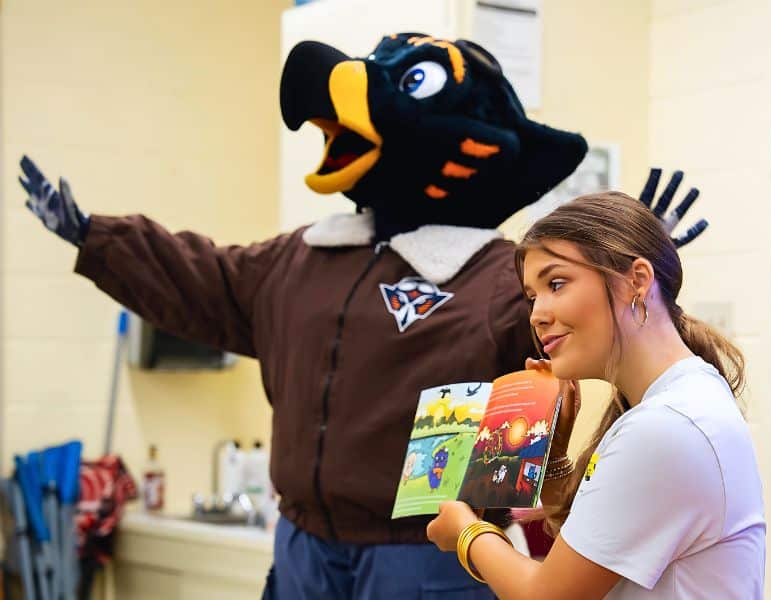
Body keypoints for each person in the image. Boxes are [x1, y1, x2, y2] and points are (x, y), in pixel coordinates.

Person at [18, 32, 707, 599]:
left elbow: (584, 336)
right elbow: (199, 275)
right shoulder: (301, 260)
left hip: (429, 554)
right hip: (302, 548)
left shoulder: (498, 273)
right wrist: (95, 237)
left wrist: (631, 262)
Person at [426, 192, 765, 599]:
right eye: (533, 296)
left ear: (637, 281)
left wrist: (466, 531)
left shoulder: (667, 426)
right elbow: (586, 555)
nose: (536, 314)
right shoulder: (673, 403)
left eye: (556, 284)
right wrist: (554, 456)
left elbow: (547, 595)